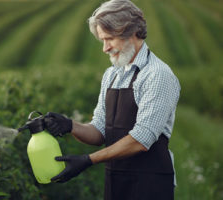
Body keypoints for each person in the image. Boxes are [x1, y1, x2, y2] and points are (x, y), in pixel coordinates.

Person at [44, 0, 180, 199]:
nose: (105, 48)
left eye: (110, 39)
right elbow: (99, 131)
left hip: (149, 184)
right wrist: (69, 125)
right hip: (116, 182)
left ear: (132, 32)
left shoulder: (157, 75)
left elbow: (141, 140)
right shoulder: (112, 75)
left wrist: (88, 160)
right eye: (102, 40)